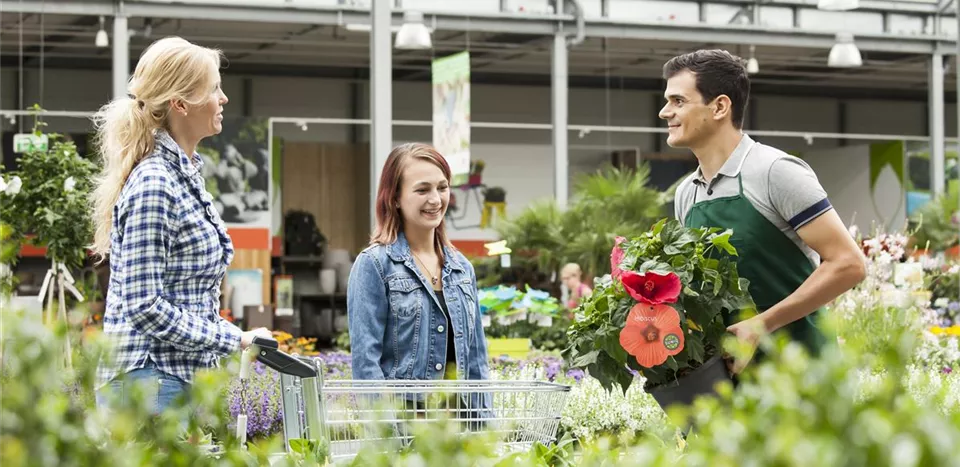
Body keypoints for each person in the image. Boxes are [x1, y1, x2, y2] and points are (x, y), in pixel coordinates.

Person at [91, 37, 272, 416]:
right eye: (214, 89)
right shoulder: (155, 182)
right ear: (180, 103)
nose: (223, 99)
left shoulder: (184, 175)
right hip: (149, 380)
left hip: (169, 378)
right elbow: (145, 306)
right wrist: (234, 338)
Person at [662, 50, 866, 374]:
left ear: (719, 107)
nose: (664, 112)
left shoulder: (776, 172)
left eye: (678, 101)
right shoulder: (688, 193)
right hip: (732, 378)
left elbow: (849, 264)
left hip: (802, 373)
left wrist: (762, 324)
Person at [348, 143, 491, 388]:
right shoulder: (374, 265)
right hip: (405, 422)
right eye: (422, 190)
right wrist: (384, 426)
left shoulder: (462, 269)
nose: (435, 199)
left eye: (442, 187)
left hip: (459, 423)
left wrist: (485, 424)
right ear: (395, 198)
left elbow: (477, 363)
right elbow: (366, 366)